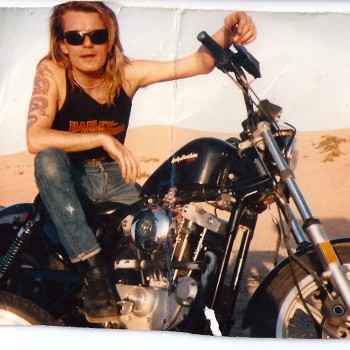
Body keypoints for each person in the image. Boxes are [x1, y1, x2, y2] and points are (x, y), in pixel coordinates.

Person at [26, 1, 257, 324]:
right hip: (68, 178)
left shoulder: (126, 74)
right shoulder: (53, 71)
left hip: (116, 178)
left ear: (111, 39)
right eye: (76, 37)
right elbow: (35, 138)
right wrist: (102, 139)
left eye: (97, 35)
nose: (87, 44)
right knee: (48, 158)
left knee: (154, 235)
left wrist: (230, 30)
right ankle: (94, 272)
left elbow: (197, 63)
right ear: (62, 45)